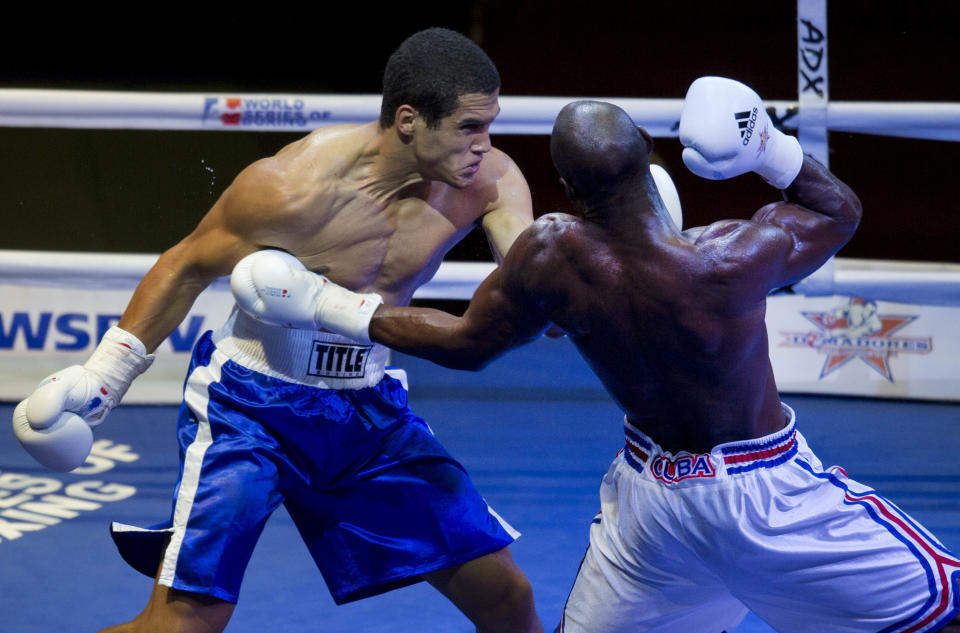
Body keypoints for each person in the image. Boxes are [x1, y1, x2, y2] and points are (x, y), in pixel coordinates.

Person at [233, 77, 960, 632]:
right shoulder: (732, 256)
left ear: (572, 189)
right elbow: (840, 212)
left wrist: (325, 304)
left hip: (652, 510)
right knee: (945, 603)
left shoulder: (552, 260)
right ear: (648, 154)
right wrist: (769, 148)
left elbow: (460, 345)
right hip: (768, 498)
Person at [12, 27, 546, 633]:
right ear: (408, 120)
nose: (487, 144)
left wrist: (569, 281)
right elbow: (185, 265)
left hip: (368, 412)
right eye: (469, 127)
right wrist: (105, 378)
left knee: (506, 597)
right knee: (186, 623)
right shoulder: (292, 189)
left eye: (490, 124)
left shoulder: (489, 180)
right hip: (253, 404)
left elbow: (528, 284)